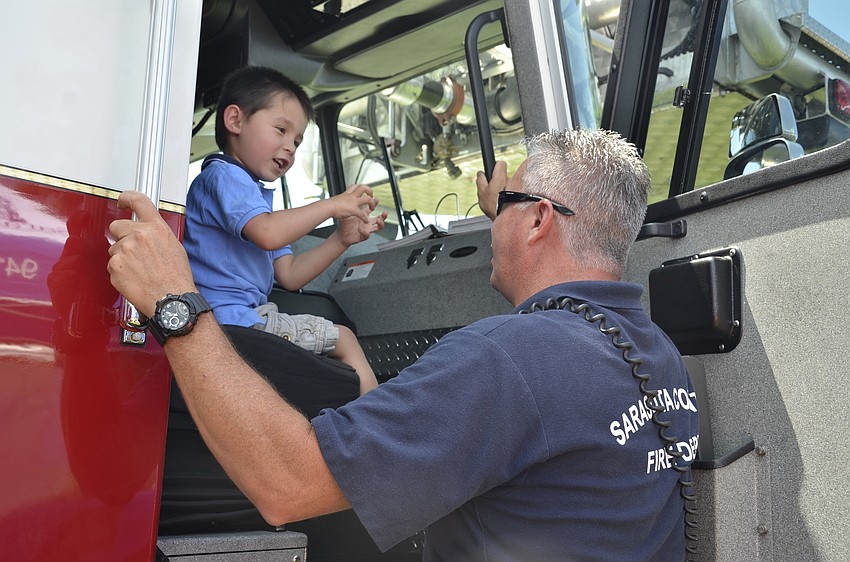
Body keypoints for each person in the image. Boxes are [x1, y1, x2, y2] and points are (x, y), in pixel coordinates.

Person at [108, 129, 699, 561]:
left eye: (501, 209)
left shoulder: (507, 361)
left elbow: (285, 485)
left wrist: (174, 302)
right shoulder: (656, 355)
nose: (490, 218)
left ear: (540, 221)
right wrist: (513, 214)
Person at [184, 66, 384, 395]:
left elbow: (289, 275)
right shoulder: (223, 176)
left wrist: (341, 239)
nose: (290, 147)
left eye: (297, 140)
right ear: (235, 121)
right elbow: (269, 233)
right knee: (344, 338)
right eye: (280, 130)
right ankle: (375, 430)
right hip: (229, 323)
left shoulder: (255, 202)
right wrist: (332, 205)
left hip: (243, 321)